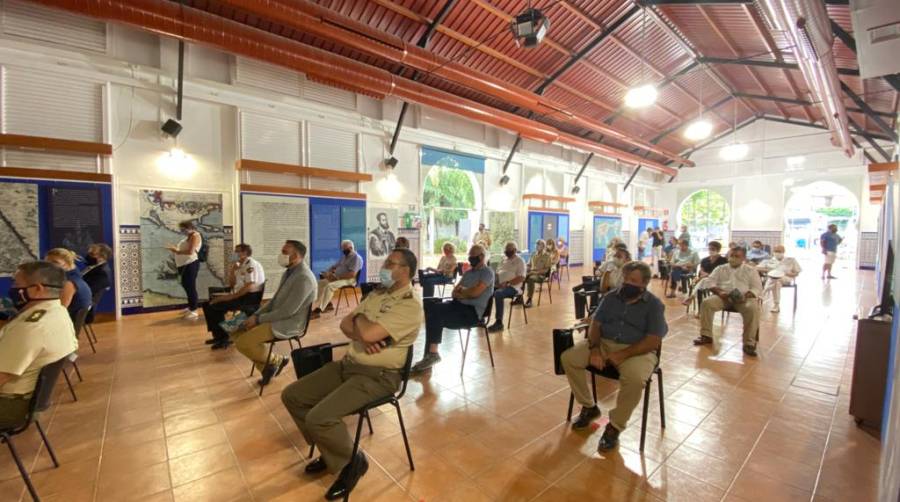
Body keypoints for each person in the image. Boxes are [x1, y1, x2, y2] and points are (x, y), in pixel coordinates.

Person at [281, 248, 422, 501]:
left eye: (392, 263)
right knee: (293, 396)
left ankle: (352, 463)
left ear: (406, 271)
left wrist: (362, 326)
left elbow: (361, 330)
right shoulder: (377, 294)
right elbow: (345, 324)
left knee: (319, 417)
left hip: (378, 376)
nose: (385, 266)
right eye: (386, 261)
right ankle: (331, 450)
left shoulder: (410, 305)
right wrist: (364, 329)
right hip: (348, 364)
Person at [561, 261, 667, 451]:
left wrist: (622, 354)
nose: (627, 283)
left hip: (637, 350)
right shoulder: (611, 298)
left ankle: (615, 426)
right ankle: (589, 407)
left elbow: (653, 340)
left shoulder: (653, 305)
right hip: (604, 344)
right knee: (569, 358)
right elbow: (596, 324)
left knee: (635, 379)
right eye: (625, 279)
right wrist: (594, 349)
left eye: (633, 280)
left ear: (644, 284)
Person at [0, 262, 79, 428]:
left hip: (9, 407)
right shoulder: (59, 312)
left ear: (37, 289)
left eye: (17, 284)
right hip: (29, 402)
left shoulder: (30, 327)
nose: (13, 288)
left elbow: (2, 376)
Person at [234, 240, 316, 386]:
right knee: (233, 330)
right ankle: (267, 367)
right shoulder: (289, 272)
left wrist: (258, 320)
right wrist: (255, 316)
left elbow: (288, 311)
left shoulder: (304, 278)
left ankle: (277, 360)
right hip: (276, 317)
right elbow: (273, 302)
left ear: (296, 255)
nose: (281, 255)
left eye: (285, 252)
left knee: (242, 343)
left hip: (288, 323)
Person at [412, 244, 494, 374]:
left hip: (472, 313)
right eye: (470, 257)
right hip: (458, 306)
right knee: (431, 306)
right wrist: (466, 291)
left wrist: (464, 292)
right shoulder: (468, 273)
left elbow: (476, 293)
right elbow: (454, 292)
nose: (471, 259)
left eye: (474, 257)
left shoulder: (487, 272)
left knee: (436, 313)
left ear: (482, 257)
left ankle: (432, 354)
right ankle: (429, 356)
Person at [694, 247, 762, 356]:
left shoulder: (751, 270)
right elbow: (710, 283)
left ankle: (749, 343)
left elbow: (757, 288)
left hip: (744, 298)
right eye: (731, 256)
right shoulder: (720, 268)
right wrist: (719, 292)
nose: (733, 258)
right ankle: (706, 335)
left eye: (737, 256)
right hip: (723, 297)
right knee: (707, 303)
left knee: (752, 309)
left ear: (743, 258)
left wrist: (746, 295)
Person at [201, 244, 265, 349]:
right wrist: (233, 269)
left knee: (214, 306)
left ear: (244, 253)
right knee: (207, 305)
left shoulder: (250, 264)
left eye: (237, 251)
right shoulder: (241, 265)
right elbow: (231, 284)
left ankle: (224, 338)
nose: (234, 253)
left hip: (249, 298)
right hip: (241, 295)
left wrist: (231, 297)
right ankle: (218, 336)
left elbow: (250, 285)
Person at [312, 240, 363, 318]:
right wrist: (327, 273)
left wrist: (337, 278)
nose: (343, 250)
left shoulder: (356, 258)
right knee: (320, 283)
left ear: (351, 247)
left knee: (330, 286)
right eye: (342, 249)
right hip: (338, 278)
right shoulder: (344, 257)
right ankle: (325, 304)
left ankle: (319, 310)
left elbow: (352, 274)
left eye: (345, 248)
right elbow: (334, 266)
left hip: (349, 280)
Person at [166, 220, 202, 320]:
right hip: (184, 265)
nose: (182, 231)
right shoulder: (189, 236)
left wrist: (176, 251)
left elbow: (190, 251)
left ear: (189, 227)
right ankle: (191, 307)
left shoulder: (195, 235)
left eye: (183, 229)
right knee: (186, 286)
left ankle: (194, 311)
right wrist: (176, 250)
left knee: (190, 287)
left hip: (190, 264)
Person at [487, 241, 526, 332]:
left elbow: (522, 277)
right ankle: (481, 317)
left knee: (498, 294)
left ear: (515, 250)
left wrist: (507, 283)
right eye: (506, 250)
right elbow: (497, 273)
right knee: (484, 290)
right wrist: (495, 281)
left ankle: (499, 322)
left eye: (509, 250)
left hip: (513, 287)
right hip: (500, 284)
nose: (507, 252)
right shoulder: (504, 260)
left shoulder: (520, 261)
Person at [44, 248, 92, 321]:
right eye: (47, 263)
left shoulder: (69, 283)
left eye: (55, 262)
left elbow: (61, 309)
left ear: (67, 263)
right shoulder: (75, 276)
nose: (50, 266)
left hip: (67, 323)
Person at [683, 241, 729, 307]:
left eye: (713, 249)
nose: (710, 250)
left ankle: (691, 297)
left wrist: (708, 275)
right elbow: (701, 271)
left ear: (718, 250)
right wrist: (706, 275)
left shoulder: (723, 260)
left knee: (704, 280)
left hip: (718, 281)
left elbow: (722, 273)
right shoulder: (704, 260)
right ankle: (695, 302)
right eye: (709, 249)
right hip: (706, 280)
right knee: (704, 281)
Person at [759, 245, 801, 313]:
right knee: (777, 282)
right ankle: (776, 305)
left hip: (786, 278)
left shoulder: (791, 260)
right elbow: (758, 268)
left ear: (783, 252)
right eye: (776, 251)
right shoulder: (769, 261)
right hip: (773, 278)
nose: (777, 253)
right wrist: (767, 270)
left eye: (779, 251)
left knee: (776, 280)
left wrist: (787, 273)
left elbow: (797, 273)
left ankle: (763, 292)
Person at [523, 240, 551, 308]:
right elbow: (529, 265)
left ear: (543, 246)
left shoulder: (546, 256)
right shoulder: (533, 254)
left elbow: (546, 270)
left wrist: (535, 272)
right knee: (521, 277)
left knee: (530, 279)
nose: (537, 246)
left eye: (539, 244)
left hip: (540, 275)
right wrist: (527, 269)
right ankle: (519, 297)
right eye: (536, 244)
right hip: (531, 273)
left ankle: (529, 299)